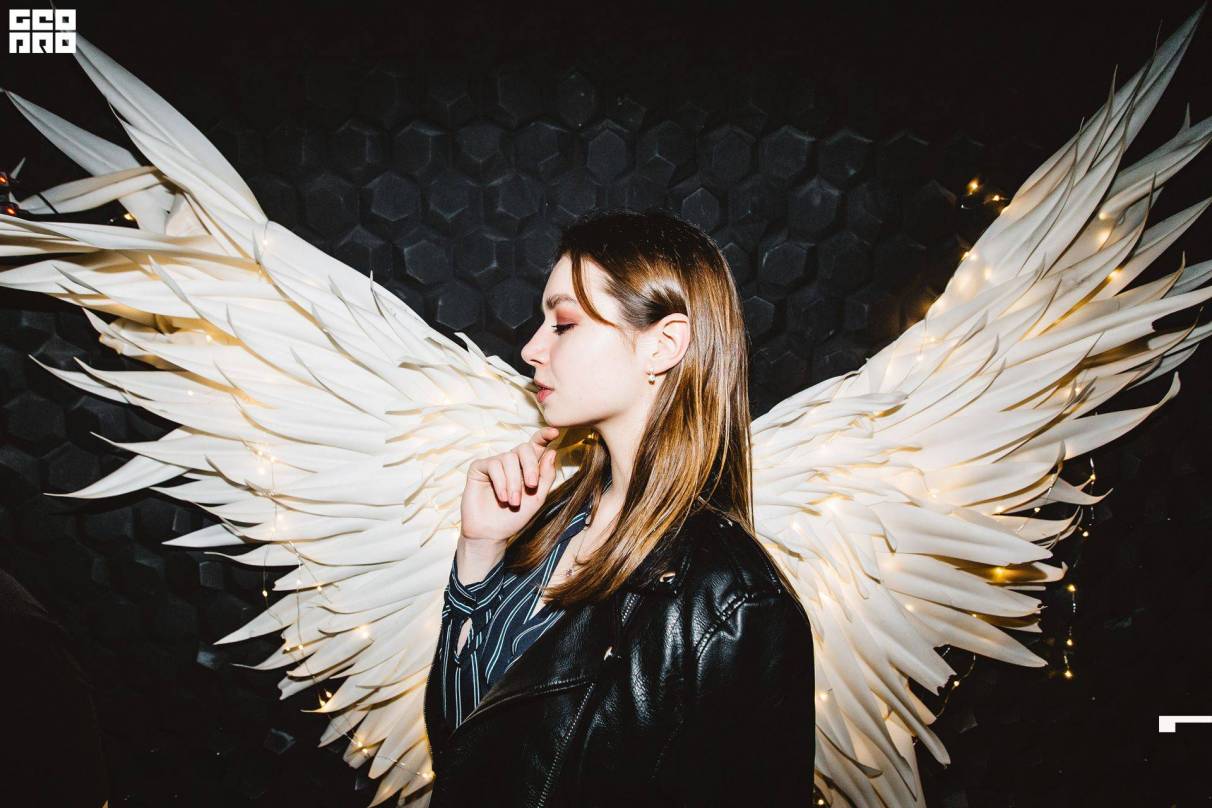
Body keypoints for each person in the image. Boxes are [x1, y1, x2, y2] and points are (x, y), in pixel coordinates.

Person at [422, 209, 816, 806]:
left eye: (563, 323)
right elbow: (460, 749)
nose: (531, 348)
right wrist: (479, 555)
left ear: (663, 344)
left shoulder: (735, 604)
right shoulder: (553, 518)